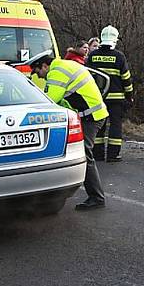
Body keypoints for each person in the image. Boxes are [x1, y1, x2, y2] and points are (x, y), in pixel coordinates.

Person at [26, 51, 109, 210]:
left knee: (84, 154)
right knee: (80, 153)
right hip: (92, 115)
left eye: (38, 72)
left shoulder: (57, 72)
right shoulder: (65, 65)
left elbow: (50, 101)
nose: (39, 76)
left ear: (45, 65)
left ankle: (97, 197)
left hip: (91, 117)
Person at [86, 25, 133, 162]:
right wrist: (129, 97)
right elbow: (126, 79)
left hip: (98, 98)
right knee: (115, 126)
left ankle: (98, 154)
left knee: (99, 127)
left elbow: (87, 77)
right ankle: (113, 155)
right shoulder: (119, 56)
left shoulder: (93, 56)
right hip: (116, 100)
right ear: (115, 40)